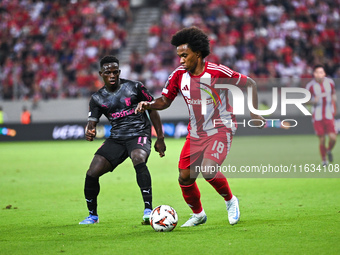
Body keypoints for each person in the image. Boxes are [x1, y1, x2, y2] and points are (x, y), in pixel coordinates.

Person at [136, 27, 264, 227]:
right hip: (195, 132)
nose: (180, 60)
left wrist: (255, 113)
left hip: (221, 128)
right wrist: (149, 104)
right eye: (179, 56)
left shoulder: (217, 72)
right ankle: (198, 214)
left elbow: (251, 84)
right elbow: (165, 101)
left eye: (184, 55)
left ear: (198, 54)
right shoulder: (179, 75)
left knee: (208, 169)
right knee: (185, 177)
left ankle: (230, 201)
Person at [79, 55, 166, 225]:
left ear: (119, 72)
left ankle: (148, 210)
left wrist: (160, 138)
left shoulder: (135, 87)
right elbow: (92, 122)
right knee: (92, 172)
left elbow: (153, 110)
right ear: (100, 74)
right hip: (117, 138)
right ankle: (93, 216)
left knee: (138, 158)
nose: (112, 75)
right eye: (108, 72)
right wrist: (89, 130)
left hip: (139, 133)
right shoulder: (97, 98)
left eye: (115, 72)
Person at [306, 65, 337, 166]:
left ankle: (328, 151)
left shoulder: (330, 83)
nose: (319, 75)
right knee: (322, 139)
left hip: (329, 114)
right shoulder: (310, 86)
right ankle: (324, 160)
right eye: (317, 72)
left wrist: (334, 103)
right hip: (317, 116)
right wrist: (313, 101)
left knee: (333, 138)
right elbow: (305, 101)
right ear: (314, 74)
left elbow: (333, 94)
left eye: (321, 72)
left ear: (324, 73)